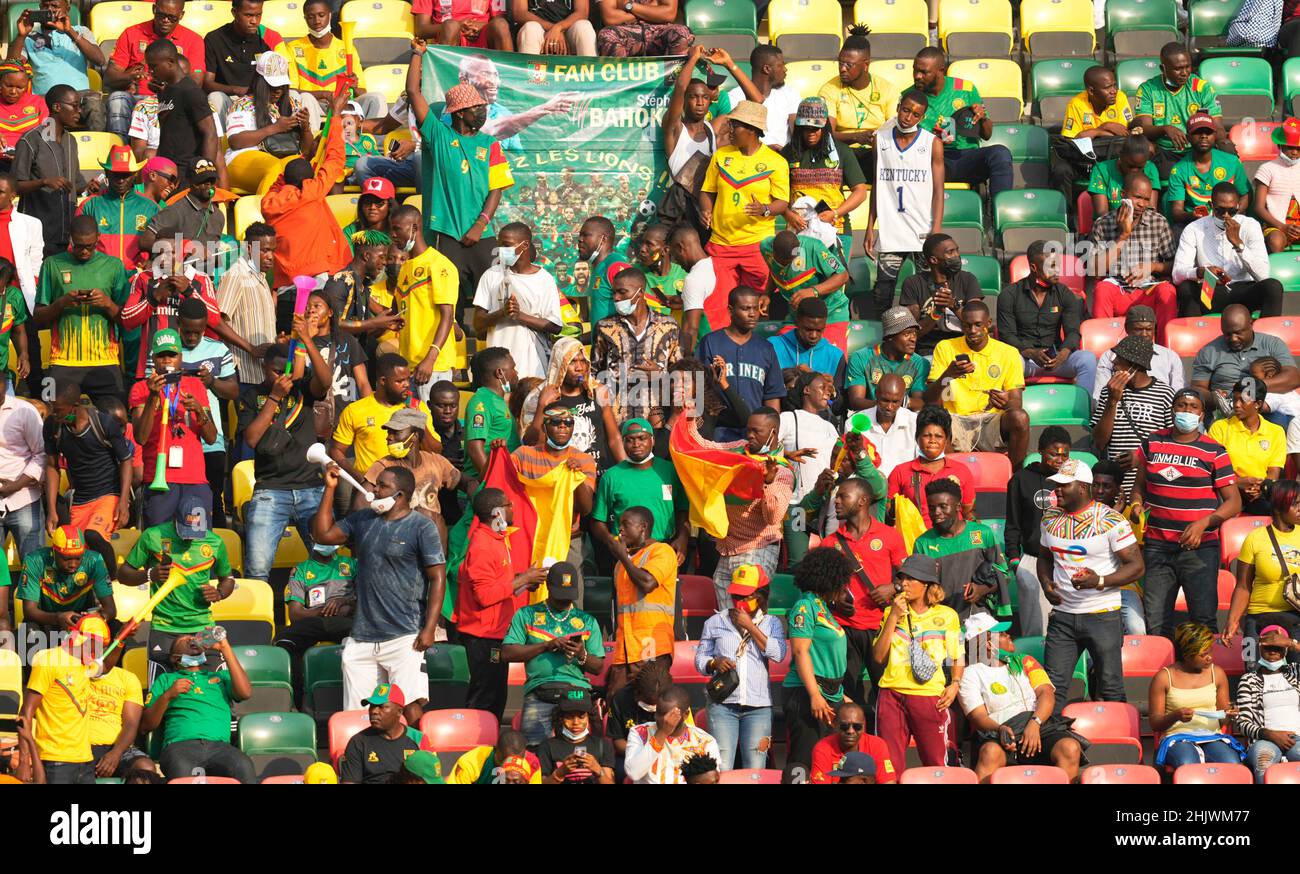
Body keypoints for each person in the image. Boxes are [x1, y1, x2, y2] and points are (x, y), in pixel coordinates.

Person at [312, 462, 446, 710]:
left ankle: (420, 750)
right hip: (362, 635)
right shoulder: (363, 519)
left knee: (409, 706)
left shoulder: (422, 526)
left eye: (383, 486)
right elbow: (323, 536)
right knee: (358, 713)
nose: (374, 490)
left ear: (401, 495)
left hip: (405, 635)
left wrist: (429, 628)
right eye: (376, 484)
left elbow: (438, 578)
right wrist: (329, 489)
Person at [407, 44, 514, 307]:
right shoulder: (438, 135)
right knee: (448, 303)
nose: (483, 111)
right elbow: (413, 91)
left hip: (482, 232)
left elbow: (496, 188)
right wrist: (417, 54)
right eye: (476, 108)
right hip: (447, 234)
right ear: (460, 112)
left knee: (494, 301)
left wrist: (480, 224)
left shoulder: (490, 144)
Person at [1133, 388, 1241, 638]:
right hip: (1157, 547)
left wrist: (1204, 523)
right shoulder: (1152, 443)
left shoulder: (1215, 450)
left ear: (1202, 415)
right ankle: (1162, 675)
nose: (1187, 411)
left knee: (1203, 621)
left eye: (1193, 407)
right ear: (1172, 409)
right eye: (1181, 405)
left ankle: (1207, 676)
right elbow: (1139, 484)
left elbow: (1233, 503)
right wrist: (1137, 502)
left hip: (1200, 549)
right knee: (1157, 622)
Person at [1038, 459, 1144, 710]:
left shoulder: (1111, 521)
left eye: (1065, 485)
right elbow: (1044, 558)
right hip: (1063, 617)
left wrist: (1100, 581)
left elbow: (1137, 567)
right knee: (1053, 687)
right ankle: (1055, 745)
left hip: (1102, 615)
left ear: (1083, 488)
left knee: (1110, 687)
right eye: (1056, 485)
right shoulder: (1049, 518)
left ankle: (1118, 744)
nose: (1058, 490)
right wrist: (1045, 583)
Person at [118, 491, 235, 681]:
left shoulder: (215, 542)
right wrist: (149, 575)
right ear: (175, 518)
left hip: (203, 625)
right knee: (162, 689)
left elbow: (228, 578)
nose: (190, 539)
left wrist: (219, 593)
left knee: (216, 685)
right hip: (165, 626)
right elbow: (123, 575)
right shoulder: (153, 536)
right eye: (185, 532)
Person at [959, 612, 1087, 783]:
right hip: (1002, 732)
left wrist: (1035, 723)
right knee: (990, 752)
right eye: (1003, 634)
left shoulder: (1025, 661)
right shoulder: (969, 674)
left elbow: (1046, 693)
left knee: (1069, 748)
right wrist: (1000, 729)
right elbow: (978, 716)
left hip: (1040, 725)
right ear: (988, 644)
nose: (1009, 635)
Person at [239, 341, 329, 581]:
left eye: (286, 372)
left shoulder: (302, 389)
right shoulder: (251, 396)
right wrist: (275, 397)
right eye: (276, 372)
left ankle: (326, 614)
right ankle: (256, 617)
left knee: (325, 559)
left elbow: (325, 382)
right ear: (264, 367)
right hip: (270, 490)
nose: (282, 377)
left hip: (310, 487)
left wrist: (309, 341)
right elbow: (252, 438)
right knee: (257, 568)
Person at [457, 487, 544, 721]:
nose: (512, 508)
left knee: (496, 699)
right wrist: (523, 579)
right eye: (508, 505)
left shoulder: (495, 539)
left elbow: (499, 585)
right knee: (485, 701)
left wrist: (524, 582)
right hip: (483, 636)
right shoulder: (483, 545)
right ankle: (479, 751)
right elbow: (485, 596)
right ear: (497, 512)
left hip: (494, 633)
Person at [871, 553, 963, 769]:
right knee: (889, 767)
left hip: (929, 696)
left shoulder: (948, 615)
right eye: (902, 578)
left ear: (927, 584)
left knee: (937, 764)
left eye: (911, 578)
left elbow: (957, 655)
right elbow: (878, 657)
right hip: (891, 694)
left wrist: (955, 684)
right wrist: (893, 616)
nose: (904, 583)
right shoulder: (890, 612)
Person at [501, 561, 606, 746]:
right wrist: (546, 646)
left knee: (586, 750)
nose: (565, 600)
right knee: (534, 751)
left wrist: (581, 654)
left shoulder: (587, 621)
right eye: (560, 595)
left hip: (575, 690)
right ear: (548, 586)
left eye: (569, 596)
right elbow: (507, 653)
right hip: (540, 690)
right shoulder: (527, 614)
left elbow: (598, 667)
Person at [259, 80, 353, 287]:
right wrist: (336, 116)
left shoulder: (268, 203)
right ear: (307, 180)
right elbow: (336, 159)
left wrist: (305, 156)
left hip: (284, 282)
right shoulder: (312, 192)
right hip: (316, 279)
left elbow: (281, 179)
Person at [693, 564, 786, 771]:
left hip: (758, 707)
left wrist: (751, 627)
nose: (740, 602)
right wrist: (713, 663)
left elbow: (779, 654)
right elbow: (700, 659)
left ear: (761, 596)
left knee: (755, 768)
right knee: (722, 766)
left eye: (746, 596)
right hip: (722, 705)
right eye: (736, 596)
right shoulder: (715, 621)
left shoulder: (772, 623)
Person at [34, 215, 130, 404]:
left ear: (98, 238)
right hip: (62, 361)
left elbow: (126, 320)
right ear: (70, 238)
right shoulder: (52, 264)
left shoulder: (114, 266)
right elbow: (38, 317)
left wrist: (107, 303)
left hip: (105, 361)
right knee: (51, 415)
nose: (84, 251)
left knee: (117, 415)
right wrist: (62, 303)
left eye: (90, 246)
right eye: (78, 245)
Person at [698, 101, 789, 300]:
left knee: (753, 307)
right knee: (719, 303)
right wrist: (706, 210)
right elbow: (707, 192)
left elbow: (782, 203)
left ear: (752, 130)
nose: (729, 130)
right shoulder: (721, 155)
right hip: (721, 244)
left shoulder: (776, 162)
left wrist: (764, 209)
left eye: (735, 125)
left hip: (757, 246)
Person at [828, 476, 906, 704]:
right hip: (845, 628)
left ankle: (882, 739)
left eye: (843, 496)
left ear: (862, 501)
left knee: (886, 694)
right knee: (849, 695)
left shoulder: (890, 535)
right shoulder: (830, 542)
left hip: (881, 627)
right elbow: (817, 589)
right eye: (836, 496)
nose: (837, 501)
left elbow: (908, 576)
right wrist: (834, 600)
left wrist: (894, 587)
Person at [128, 328, 217, 524]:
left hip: (195, 479)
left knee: (197, 546)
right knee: (160, 546)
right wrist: (153, 397)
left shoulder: (195, 385)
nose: (167, 360)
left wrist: (199, 411)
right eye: (161, 355)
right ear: (153, 357)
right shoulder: (141, 389)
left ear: (180, 356)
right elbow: (140, 437)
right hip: (159, 481)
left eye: (172, 354)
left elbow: (211, 438)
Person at [925, 301, 1030, 468]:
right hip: (955, 419)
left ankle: (1015, 478)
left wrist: (1005, 401)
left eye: (978, 325)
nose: (972, 331)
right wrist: (948, 375)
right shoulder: (945, 348)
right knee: (934, 419)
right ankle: (951, 475)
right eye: (967, 326)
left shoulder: (1008, 353)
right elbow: (931, 400)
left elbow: (1016, 402)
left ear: (988, 324)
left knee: (1020, 417)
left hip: (991, 419)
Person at [706, 409, 795, 608]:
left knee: (747, 615)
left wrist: (767, 482)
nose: (750, 435)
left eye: (757, 431)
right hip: (728, 548)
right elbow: (709, 448)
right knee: (726, 619)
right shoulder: (740, 449)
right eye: (748, 430)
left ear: (773, 433)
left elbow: (773, 517)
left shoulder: (782, 472)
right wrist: (687, 422)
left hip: (758, 549)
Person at [141, 631, 256, 782]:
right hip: (180, 747)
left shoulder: (219, 677)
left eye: (193, 638)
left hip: (220, 747)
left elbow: (246, 693)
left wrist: (225, 648)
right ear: (175, 658)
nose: (191, 639)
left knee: (243, 764)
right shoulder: (167, 679)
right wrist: (168, 695)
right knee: (182, 769)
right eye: (185, 640)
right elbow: (146, 725)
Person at [867, 89, 943, 317]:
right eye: (906, 110)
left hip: (923, 230)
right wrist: (871, 226)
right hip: (892, 229)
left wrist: (936, 231)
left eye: (915, 114)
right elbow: (876, 184)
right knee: (883, 291)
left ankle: (922, 340)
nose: (908, 117)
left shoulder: (932, 144)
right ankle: (885, 339)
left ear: (922, 117)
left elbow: (939, 191)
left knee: (928, 290)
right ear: (899, 106)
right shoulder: (880, 140)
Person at [779, 547, 851, 782]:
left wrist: (839, 694)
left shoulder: (824, 608)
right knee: (804, 760)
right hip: (806, 692)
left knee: (829, 761)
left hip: (829, 692)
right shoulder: (804, 606)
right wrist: (814, 695)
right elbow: (800, 652)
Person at [999, 240, 1097, 396]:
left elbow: (1073, 331)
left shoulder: (1064, 293)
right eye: (1051, 266)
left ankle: (1086, 407)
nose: (1057, 270)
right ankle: (1014, 410)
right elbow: (1007, 335)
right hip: (1025, 360)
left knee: (1087, 359)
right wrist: (1030, 353)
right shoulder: (1009, 295)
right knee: (1010, 361)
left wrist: (1064, 353)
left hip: (1057, 359)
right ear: (1034, 268)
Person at [912, 47, 1012, 196]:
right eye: (915, 70)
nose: (917, 76)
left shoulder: (965, 88)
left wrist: (982, 117)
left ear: (941, 71)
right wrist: (932, 139)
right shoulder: (909, 95)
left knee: (1000, 153)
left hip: (966, 158)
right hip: (930, 160)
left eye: (924, 72)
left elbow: (987, 135)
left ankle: (1001, 211)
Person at [470, 222, 562, 381]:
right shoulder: (491, 275)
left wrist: (519, 315)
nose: (502, 252)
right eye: (499, 246)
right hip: (497, 371)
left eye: (507, 246)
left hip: (533, 367)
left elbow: (555, 326)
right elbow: (478, 323)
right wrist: (502, 313)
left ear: (525, 245)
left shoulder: (544, 279)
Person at [590, 267, 682, 426]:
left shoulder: (669, 326)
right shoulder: (604, 327)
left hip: (656, 420)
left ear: (640, 292)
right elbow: (594, 372)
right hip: (616, 420)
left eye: (622, 292)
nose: (616, 298)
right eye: (614, 293)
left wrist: (660, 376)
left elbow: (680, 374)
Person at [591, 418, 687, 569]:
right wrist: (611, 540)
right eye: (630, 440)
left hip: (664, 549)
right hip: (626, 553)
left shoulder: (670, 471)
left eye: (642, 438)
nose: (636, 444)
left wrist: (683, 538)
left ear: (652, 440)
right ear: (622, 443)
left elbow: (683, 509)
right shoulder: (611, 476)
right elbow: (598, 521)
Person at [1175, 182, 1283, 317]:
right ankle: (1193, 334)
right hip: (1212, 291)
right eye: (1220, 210)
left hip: (1244, 290)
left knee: (1273, 287)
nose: (1226, 215)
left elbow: (1263, 275)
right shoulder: (1193, 229)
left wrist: (1238, 244)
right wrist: (1202, 271)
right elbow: (1177, 274)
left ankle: (1267, 336)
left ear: (1238, 207)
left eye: (1231, 211)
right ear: (1211, 206)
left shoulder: (1250, 225)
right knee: (1186, 288)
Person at [20, 615, 105, 784]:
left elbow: (107, 663)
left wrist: (122, 639)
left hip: (85, 760)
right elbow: (25, 713)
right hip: (55, 760)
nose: (99, 652)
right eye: (96, 646)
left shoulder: (87, 664)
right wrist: (24, 760)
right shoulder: (49, 661)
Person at [389, 204, 462, 401]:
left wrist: (430, 358)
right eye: (391, 229)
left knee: (431, 427)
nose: (393, 235)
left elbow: (448, 315)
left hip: (431, 366)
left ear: (414, 228)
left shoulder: (439, 265)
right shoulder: (405, 267)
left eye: (397, 229)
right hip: (408, 365)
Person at [329, 352, 436, 486]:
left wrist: (419, 421)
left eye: (408, 379)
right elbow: (336, 450)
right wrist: (360, 479)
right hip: (371, 488)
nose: (407, 385)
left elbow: (435, 452)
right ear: (383, 381)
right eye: (400, 381)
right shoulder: (356, 410)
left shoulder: (417, 407)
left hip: (410, 487)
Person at [913, 478, 1011, 623]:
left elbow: (1004, 574)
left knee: (983, 647)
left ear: (958, 506)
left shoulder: (982, 533)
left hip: (981, 620)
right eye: (932, 507)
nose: (936, 512)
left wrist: (981, 589)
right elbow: (918, 588)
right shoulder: (922, 543)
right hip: (940, 623)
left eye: (943, 506)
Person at [1006, 427, 1073, 638]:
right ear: (1040, 451)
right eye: (1054, 453)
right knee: (1035, 627)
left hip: (1067, 559)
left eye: (1064, 455)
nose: (1059, 459)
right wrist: (1015, 561)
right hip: (1033, 559)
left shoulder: (1073, 481)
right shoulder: (1021, 480)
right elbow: (1013, 523)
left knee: (1067, 622)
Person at [44, 381, 132, 539]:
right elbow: (52, 467)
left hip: (108, 495)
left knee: (94, 536)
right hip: (81, 500)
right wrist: (52, 510)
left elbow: (126, 460)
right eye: (52, 408)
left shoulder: (103, 423)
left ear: (75, 406)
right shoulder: (52, 426)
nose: (54, 414)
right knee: (80, 547)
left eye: (58, 410)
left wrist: (123, 501)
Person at [696, 287, 785, 442]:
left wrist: (772, 433)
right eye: (745, 308)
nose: (752, 314)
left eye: (755, 308)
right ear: (731, 310)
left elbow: (772, 396)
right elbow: (697, 389)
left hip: (755, 434)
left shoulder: (766, 348)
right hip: (719, 430)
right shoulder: (710, 342)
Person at [104, 0, 204, 138]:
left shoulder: (194, 40)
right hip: (136, 98)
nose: (165, 20)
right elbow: (110, 77)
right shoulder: (131, 33)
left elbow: (196, 81)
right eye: (161, 15)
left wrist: (168, 88)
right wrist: (130, 76)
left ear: (181, 15)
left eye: (172, 17)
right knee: (117, 98)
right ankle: (121, 147)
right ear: (153, 9)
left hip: (174, 100)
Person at [1091, 333, 1175, 496]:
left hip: (1149, 487)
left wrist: (1142, 458)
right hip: (1116, 490)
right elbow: (1099, 442)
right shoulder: (1107, 392)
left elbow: (1172, 445)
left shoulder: (1165, 394)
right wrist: (1112, 401)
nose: (1113, 362)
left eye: (1119, 358)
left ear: (1134, 365)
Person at [1150, 622, 1242, 769]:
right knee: (1188, 763)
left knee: (1231, 763)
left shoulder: (1217, 674)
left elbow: (1223, 721)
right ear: (1187, 654)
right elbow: (1155, 723)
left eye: (1210, 651)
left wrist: (1229, 715)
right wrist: (1176, 715)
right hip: (1177, 738)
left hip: (1211, 736)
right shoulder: (1163, 677)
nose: (1209, 658)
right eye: (1203, 654)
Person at [605, 506, 678, 695]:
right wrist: (624, 558)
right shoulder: (621, 564)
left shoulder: (662, 551)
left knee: (650, 702)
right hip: (625, 647)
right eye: (618, 525)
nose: (619, 530)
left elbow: (647, 582)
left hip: (651, 644)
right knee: (615, 701)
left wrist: (623, 555)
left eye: (625, 525)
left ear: (643, 527)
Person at [1223, 480, 1300, 654]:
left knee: (1296, 677)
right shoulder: (1255, 538)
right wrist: (1233, 621)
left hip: (1296, 618)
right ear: (1279, 505)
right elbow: (1243, 586)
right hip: (1258, 619)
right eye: (1296, 504)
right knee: (1251, 673)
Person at [220, 51, 312, 197]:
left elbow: (306, 152)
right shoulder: (243, 104)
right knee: (274, 167)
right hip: (244, 156)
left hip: (282, 157)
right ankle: (266, 212)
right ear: (260, 81)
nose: (278, 91)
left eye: (282, 85)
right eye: (272, 85)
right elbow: (235, 142)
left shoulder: (292, 104)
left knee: (302, 168)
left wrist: (306, 128)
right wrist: (275, 128)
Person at [521, 338, 619, 472]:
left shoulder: (598, 391)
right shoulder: (541, 396)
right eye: (572, 362)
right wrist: (542, 407)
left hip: (600, 472)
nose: (580, 368)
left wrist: (627, 471)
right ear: (560, 364)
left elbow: (614, 438)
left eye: (583, 361)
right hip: (564, 475)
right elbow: (531, 443)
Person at [277, 540, 354, 705]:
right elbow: (295, 613)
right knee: (284, 641)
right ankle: (297, 700)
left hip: (346, 620)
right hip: (314, 620)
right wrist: (326, 609)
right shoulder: (301, 570)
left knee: (365, 639)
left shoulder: (353, 564)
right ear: (312, 536)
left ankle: (355, 699)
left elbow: (367, 599)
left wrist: (343, 601)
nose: (329, 541)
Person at [281, 0, 384, 124]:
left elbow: (362, 92)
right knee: (305, 97)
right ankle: (312, 141)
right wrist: (325, 94)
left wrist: (355, 86)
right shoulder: (293, 48)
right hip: (314, 105)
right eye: (311, 17)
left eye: (321, 15)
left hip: (344, 105)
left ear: (330, 15)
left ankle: (371, 142)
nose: (317, 21)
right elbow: (292, 91)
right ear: (305, 19)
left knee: (377, 98)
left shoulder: (346, 48)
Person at [814, 26, 898, 176]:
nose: (842, 69)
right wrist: (856, 137)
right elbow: (827, 134)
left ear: (866, 65)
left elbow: (894, 129)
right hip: (842, 150)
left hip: (877, 149)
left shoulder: (887, 89)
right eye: (840, 63)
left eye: (849, 65)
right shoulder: (829, 89)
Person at [1134, 42, 1225, 178]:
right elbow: (1144, 128)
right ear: (1163, 68)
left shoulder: (1201, 87)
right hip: (1165, 150)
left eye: (1187, 67)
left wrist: (1218, 141)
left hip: (1198, 149)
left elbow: (1218, 127)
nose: (1184, 73)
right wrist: (1166, 129)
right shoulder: (1148, 89)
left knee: (1228, 149)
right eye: (1178, 69)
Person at [12, 84, 80, 256]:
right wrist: (44, 182)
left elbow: (76, 184)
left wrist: (89, 186)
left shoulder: (71, 141)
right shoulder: (30, 140)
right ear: (57, 107)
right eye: (75, 106)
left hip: (67, 234)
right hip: (37, 236)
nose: (79, 111)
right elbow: (14, 186)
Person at [17, 525, 114, 643]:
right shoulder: (35, 560)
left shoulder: (95, 560)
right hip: (47, 621)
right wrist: (58, 618)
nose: (73, 564)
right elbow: (29, 611)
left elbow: (110, 609)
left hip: (82, 625)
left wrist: (94, 619)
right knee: (28, 631)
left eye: (78, 558)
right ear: (54, 551)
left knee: (115, 628)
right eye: (66, 559)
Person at [1051, 65, 1134, 203]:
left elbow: (1124, 134)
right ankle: (1067, 214)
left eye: (1114, 85)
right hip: (1083, 162)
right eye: (1108, 88)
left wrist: (1092, 133)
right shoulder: (1076, 104)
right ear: (1091, 90)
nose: (1114, 91)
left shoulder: (1120, 98)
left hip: (1112, 160)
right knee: (1061, 170)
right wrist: (1103, 128)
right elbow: (1074, 140)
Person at [886, 403, 976, 526]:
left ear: (946, 440)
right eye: (926, 435)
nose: (932, 440)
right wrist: (892, 511)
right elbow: (888, 518)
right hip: (915, 540)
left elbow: (968, 513)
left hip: (953, 540)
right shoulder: (900, 471)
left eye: (938, 436)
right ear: (917, 438)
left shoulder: (961, 470)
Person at [145, 39, 217, 188]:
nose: (150, 71)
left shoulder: (191, 91)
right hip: (167, 169)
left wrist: (205, 175)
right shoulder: (166, 90)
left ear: (170, 62)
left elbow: (210, 133)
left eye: (153, 67)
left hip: (186, 171)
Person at [1210, 376, 1286, 515]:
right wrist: (1238, 483)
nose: (1237, 405)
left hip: (1261, 492)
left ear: (1258, 404)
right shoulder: (1220, 428)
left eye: (1243, 400)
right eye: (1235, 399)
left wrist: (1260, 488)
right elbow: (1214, 469)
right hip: (1227, 490)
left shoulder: (1276, 431)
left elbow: (1273, 473)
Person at [761, 233, 850, 351]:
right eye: (783, 261)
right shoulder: (765, 247)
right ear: (774, 252)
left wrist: (814, 291)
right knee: (780, 352)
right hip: (797, 316)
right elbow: (774, 270)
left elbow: (843, 275)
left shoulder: (814, 248)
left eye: (791, 260)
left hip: (830, 313)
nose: (788, 264)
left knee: (830, 356)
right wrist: (767, 294)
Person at [899, 233, 983, 357]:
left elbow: (978, 322)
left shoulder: (968, 279)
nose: (957, 255)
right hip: (929, 351)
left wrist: (954, 305)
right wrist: (937, 312)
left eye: (957, 250)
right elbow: (913, 333)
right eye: (951, 252)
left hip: (965, 349)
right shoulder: (913, 283)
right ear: (934, 260)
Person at [1195, 305, 1300, 403]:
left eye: (1238, 333)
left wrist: (1251, 389)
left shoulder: (1272, 344)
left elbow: (1293, 377)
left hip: (1266, 405)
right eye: (1227, 334)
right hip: (1225, 411)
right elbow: (1198, 388)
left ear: (1251, 324)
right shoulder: (1209, 351)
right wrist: (1215, 398)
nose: (1233, 338)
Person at [1236, 627, 1300, 782]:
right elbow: (1243, 723)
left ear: (1285, 650)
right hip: (1264, 739)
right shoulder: (1249, 679)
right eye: (1267, 648)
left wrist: (1293, 643)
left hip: (1297, 737)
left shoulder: (1295, 672)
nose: (1272, 652)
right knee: (1263, 760)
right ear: (1260, 648)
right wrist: (1270, 734)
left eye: (1277, 648)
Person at [77, 146, 157, 269]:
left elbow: (164, 246)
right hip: (100, 277)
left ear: (134, 175)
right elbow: (75, 246)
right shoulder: (89, 205)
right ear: (107, 173)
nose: (120, 180)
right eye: (116, 175)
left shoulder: (150, 207)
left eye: (125, 175)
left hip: (136, 278)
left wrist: (151, 262)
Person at [202, 0, 285, 120]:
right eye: (249, 15)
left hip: (255, 100)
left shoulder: (261, 44)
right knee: (215, 97)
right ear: (234, 12)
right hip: (227, 98)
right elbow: (207, 83)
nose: (254, 21)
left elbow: (272, 80)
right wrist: (236, 90)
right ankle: (221, 138)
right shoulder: (214, 39)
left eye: (258, 15)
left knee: (292, 95)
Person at [1165, 112, 1250, 226]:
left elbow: (1246, 195)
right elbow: (1177, 212)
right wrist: (1192, 215)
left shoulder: (1232, 162)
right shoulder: (1179, 170)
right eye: (1198, 132)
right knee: (1177, 232)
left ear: (1215, 135)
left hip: (1229, 220)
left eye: (1208, 132)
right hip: (1196, 224)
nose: (1203, 136)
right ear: (1188, 137)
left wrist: (1233, 215)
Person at [338, 683, 435, 784]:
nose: (374, 711)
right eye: (372, 706)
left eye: (381, 707)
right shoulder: (358, 742)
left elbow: (431, 778)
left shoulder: (418, 739)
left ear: (399, 712)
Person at [624, 686, 721, 784]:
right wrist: (661, 733)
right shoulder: (639, 732)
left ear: (685, 714)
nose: (663, 719)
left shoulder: (705, 741)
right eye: (659, 713)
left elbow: (711, 779)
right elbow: (633, 773)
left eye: (670, 715)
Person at [86, 639, 152, 780]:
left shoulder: (127, 678)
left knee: (145, 768)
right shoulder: (75, 673)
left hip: (118, 747)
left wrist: (116, 753)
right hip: (81, 747)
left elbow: (131, 723)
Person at [1095, 307, 1184, 401]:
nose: (1144, 334)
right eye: (1138, 329)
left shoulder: (1170, 357)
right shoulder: (1110, 356)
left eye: (1149, 329)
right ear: (1127, 329)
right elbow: (1099, 396)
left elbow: (1178, 396)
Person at [460, 347, 519, 482]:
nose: (516, 373)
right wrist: (493, 483)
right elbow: (475, 448)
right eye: (513, 368)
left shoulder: (498, 400)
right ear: (500, 373)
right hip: (487, 488)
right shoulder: (481, 402)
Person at [0, 372, 42, 558]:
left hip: (23, 499)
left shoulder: (24, 411)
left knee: (32, 565)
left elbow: (41, 454)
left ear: (4, 384)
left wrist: (17, 485)